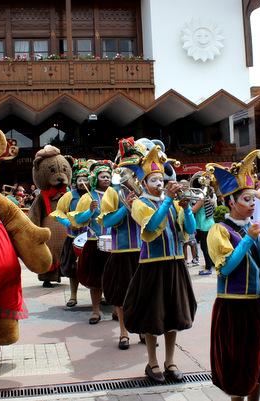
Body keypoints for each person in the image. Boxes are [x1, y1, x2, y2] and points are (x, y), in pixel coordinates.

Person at [206, 150, 260, 401]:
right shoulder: (219, 231)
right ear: (231, 202)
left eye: (253, 199)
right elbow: (226, 268)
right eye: (246, 199)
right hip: (236, 308)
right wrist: (247, 239)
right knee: (240, 366)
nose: (253, 204)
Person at [123, 146, 197, 383]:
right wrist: (168, 202)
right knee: (153, 316)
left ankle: (170, 360)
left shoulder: (174, 204)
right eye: (153, 179)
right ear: (144, 183)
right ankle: (152, 362)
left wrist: (186, 208)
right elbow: (153, 226)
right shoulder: (139, 204)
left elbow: (191, 230)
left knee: (174, 314)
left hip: (175, 264)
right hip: (152, 265)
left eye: (160, 179)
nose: (158, 183)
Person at [98, 138, 144, 350]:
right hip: (122, 249)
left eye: (134, 168)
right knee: (122, 292)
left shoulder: (146, 188)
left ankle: (143, 329)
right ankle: (124, 332)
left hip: (145, 249)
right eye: (126, 169)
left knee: (144, 292)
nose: (131, 173)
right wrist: (126, 207)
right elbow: (107, 221)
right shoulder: (112, 192)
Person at [69, 160, 113, 324]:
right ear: (96, 179)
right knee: (96, 279)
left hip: (114, 243)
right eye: (103, 176)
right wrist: (90, 211)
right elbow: (78, 219)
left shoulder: (115, 194)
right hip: (94, 242)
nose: (106, 179)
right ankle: (96, 311)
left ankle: (117, 309)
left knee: (114, 278)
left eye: (108, 176)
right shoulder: (88, 197)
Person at [50, 158, 91, 307]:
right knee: (73, 270)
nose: (83, 182)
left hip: (92, 238)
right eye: (80, 179)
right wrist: (67, 222)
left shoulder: (94, 195)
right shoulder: (68, 196)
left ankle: (101, 294)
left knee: (97, 267)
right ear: (75, 181)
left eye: (86, 179)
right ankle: (73, 296)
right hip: (73, 238)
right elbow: (58, 212)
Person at [191, 171, 216, 275]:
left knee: (205, 247)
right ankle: (208, 266)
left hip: (205, 225)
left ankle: (208, 268)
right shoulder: (207, 194)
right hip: (207, 223)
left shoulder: (202, 196)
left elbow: (194, 210)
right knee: (205, 246)